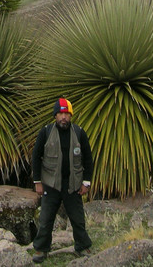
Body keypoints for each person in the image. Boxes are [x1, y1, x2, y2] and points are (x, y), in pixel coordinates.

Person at [30, 96, 94, 263]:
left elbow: (88, 159)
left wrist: (86, 182)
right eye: (60, 114)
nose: (63, 117)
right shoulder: (45, 132)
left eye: (67, 114)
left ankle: (82, 246)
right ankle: (41, 249)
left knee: (78, 218)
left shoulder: (79, 133)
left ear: (71, 116)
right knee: (45, 219)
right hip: (51, 184)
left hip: (72, 185)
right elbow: (36, 157)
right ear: (55, 116)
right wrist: (37, 182)